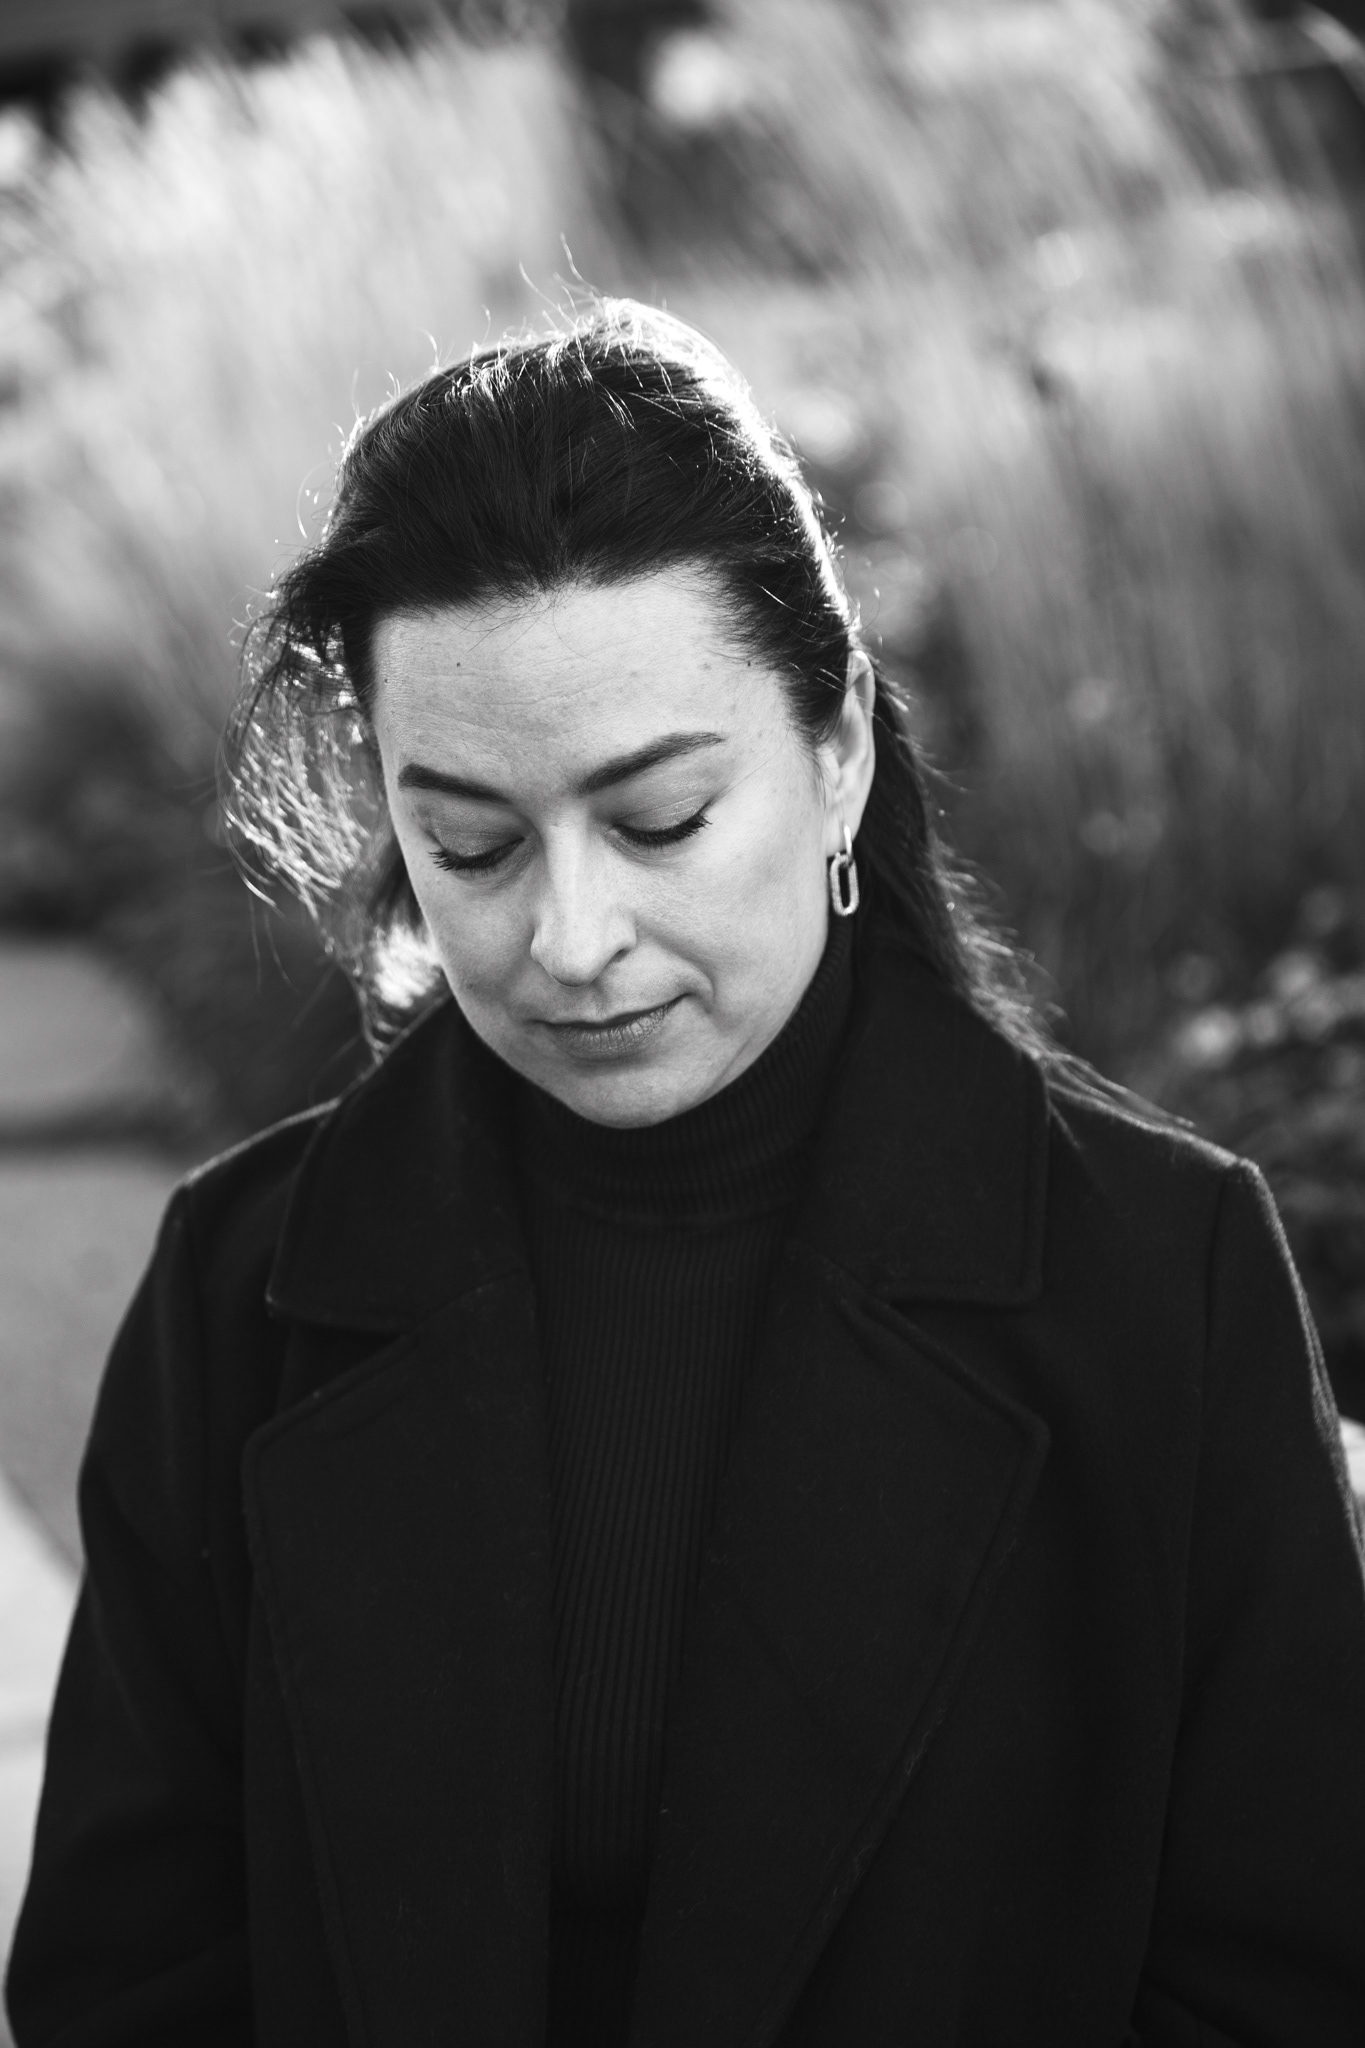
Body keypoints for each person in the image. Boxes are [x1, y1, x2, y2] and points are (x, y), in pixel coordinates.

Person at [7, 302, 1365, 2048]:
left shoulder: (1161, 1281)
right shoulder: (239, 1289)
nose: (570, 939)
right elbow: (126, 1982)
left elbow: (1283, 1979)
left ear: (836, 754)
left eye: (657, 821)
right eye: (472, 844)